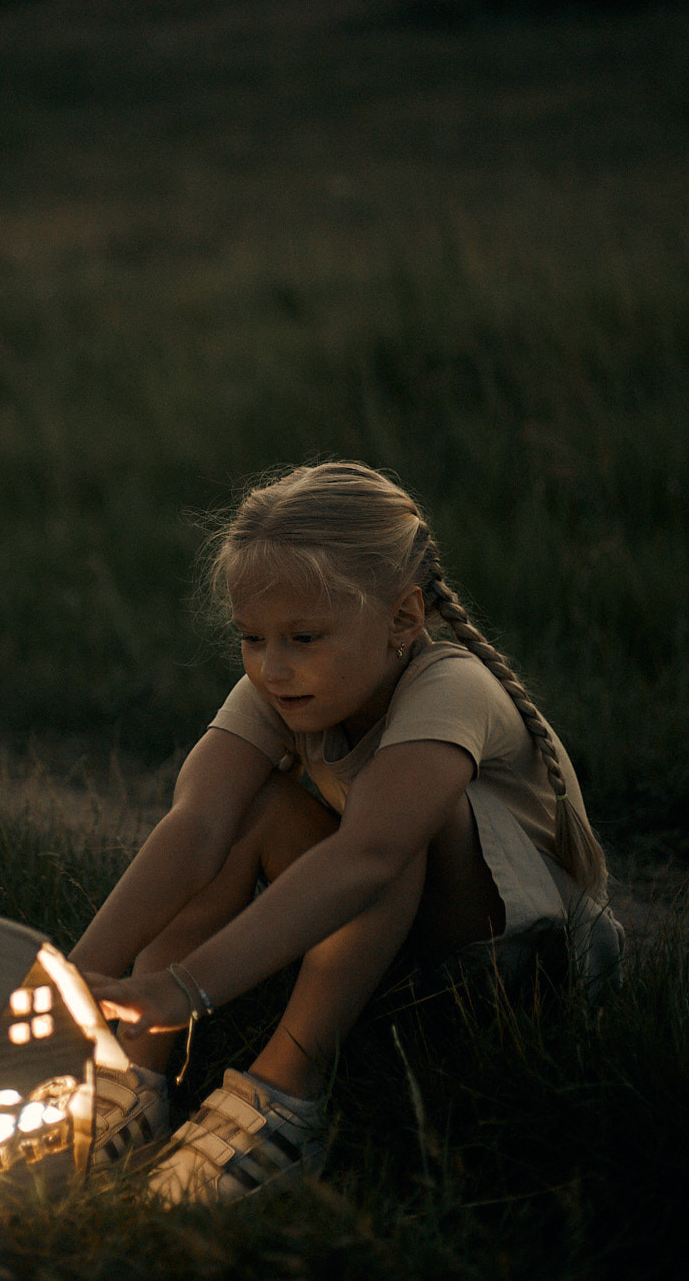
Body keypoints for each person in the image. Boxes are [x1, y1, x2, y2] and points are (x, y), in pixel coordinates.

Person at [70, 460, 624, 1206]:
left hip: (508, 977)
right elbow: (195, 827)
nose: (272, 667)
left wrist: (186, 988)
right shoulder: (283, 684)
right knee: (250, 807)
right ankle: (133, 1065)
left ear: (403, 618)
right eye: (252, 637)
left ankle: (283, 1098)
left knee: (384, 835)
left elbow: (370, 857)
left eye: (302, 636)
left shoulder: (450, 686)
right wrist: (65, 987)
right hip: (380, 947)